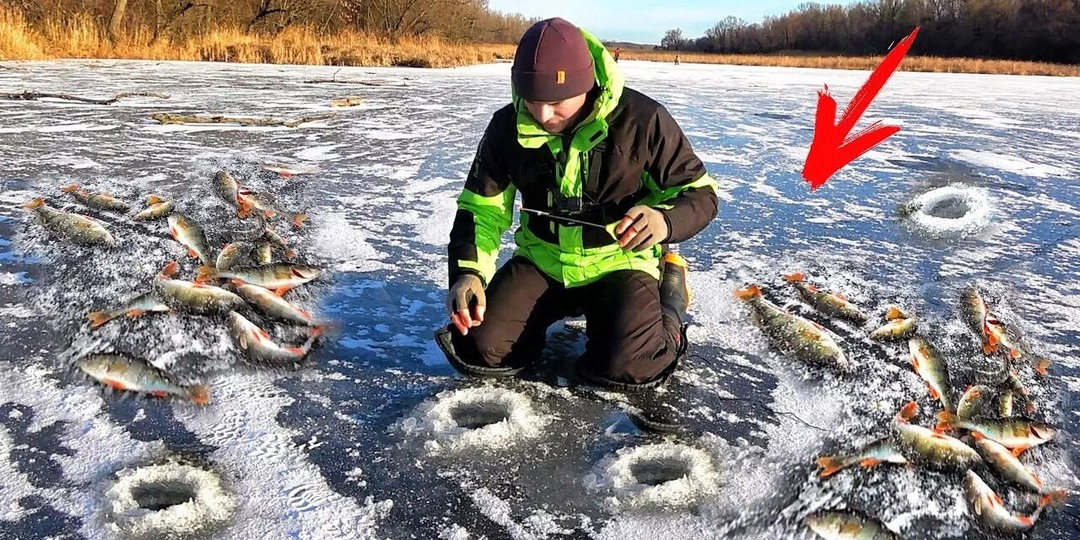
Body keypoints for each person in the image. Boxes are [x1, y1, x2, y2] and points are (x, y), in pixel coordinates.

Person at [435, 17, 717, 427]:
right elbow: (482, 208)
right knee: (480, 348)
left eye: (557, 102)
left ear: (586, 85)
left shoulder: (643, 120)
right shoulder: (506, 127)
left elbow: (701, 194)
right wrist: (467, 273)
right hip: (545, 261)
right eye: (532, 100)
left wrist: (663, 221)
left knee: (630, 366)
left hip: (620, 263)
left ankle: (670, 297)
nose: (543, 114)